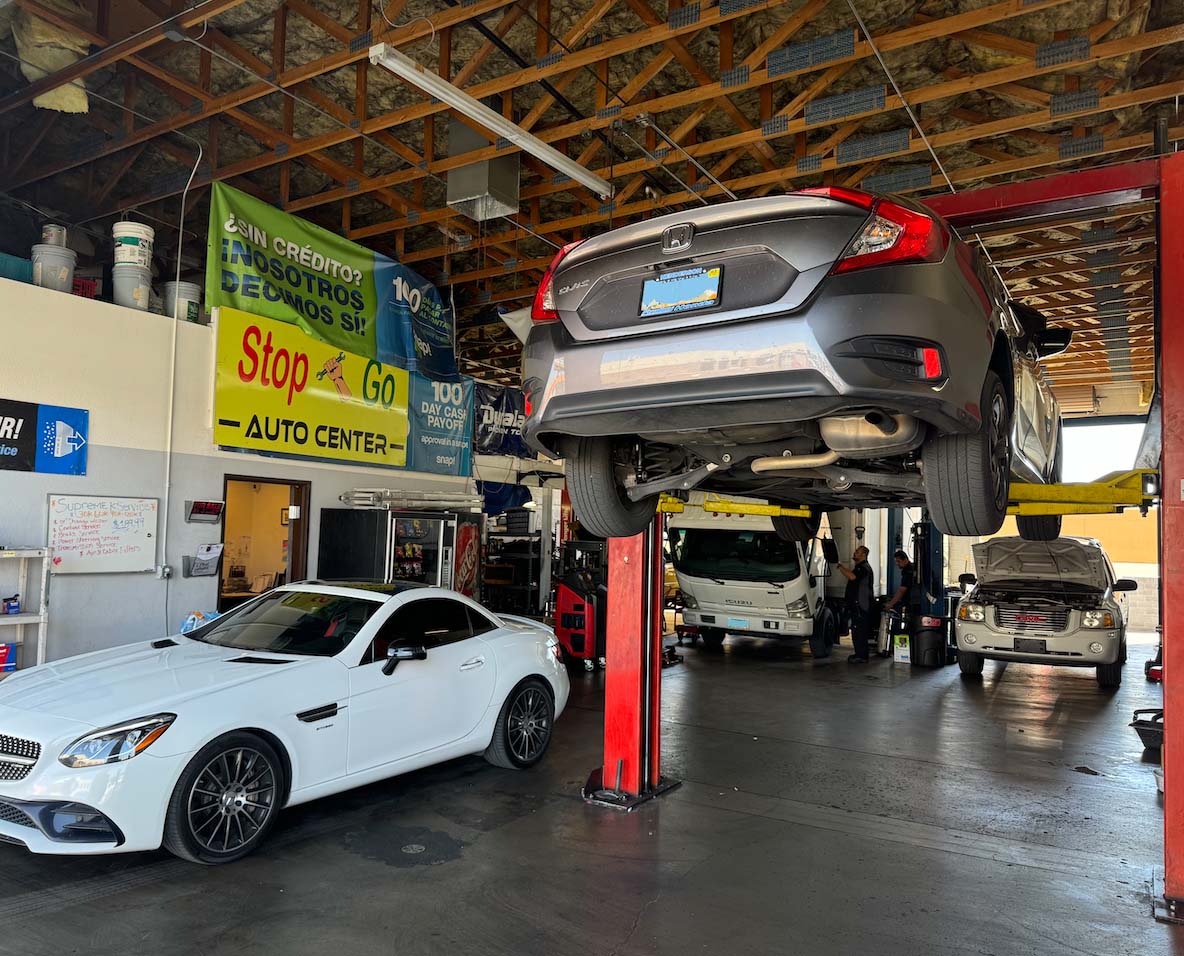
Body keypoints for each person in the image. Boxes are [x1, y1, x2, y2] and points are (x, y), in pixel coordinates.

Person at [837, 546, 875, 663]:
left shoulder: (863, 568)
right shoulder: (861, 567)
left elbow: (852, 577)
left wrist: (840, 566)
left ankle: (861, 656)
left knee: (859, 631)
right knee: (858, 630)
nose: (855, 553)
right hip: (859, 605)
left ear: (863, 555)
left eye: (857, 552)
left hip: (861, 606)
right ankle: (860, 654)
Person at [884, 550, 916, 626]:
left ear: (905, 560)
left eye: (899, 561)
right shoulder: (910, 568)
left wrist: (891, 604)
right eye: (896, 562)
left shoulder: (908, 571)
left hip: (912, 601)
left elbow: (902, 590)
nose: (897, 564)